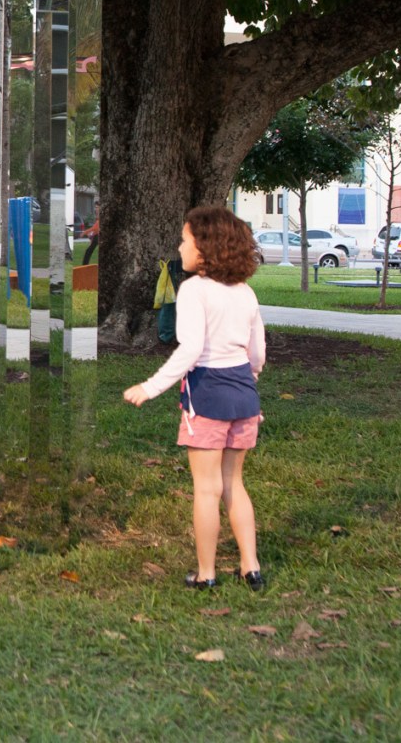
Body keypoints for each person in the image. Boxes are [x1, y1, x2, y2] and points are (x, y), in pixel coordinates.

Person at [123, 206, 266, 591]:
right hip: (243, 396)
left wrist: (150, 387)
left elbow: (190, 350)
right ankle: (250, 566)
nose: (180, 246)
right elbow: (257, 355)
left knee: (207, 489)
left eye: (185, 240)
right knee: (234, 483)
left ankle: (206, 573)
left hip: (207, 394)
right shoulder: (246, 292)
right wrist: (250, 391)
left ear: (205, 248)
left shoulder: (194, 290)